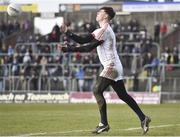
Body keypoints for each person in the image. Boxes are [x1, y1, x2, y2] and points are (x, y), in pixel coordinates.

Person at [60, 7, 151, 134]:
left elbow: (88, 48)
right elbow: (83, 40)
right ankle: (143, 118)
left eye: (100, 12)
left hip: (111, 66)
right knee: (122, 95)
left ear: (106, 16)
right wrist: (68, 33)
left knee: (97, 90)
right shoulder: (101, 30)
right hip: (114, 65)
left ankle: (104, 124)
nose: (97, 13)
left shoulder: (105, 30)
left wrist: (69, 49)